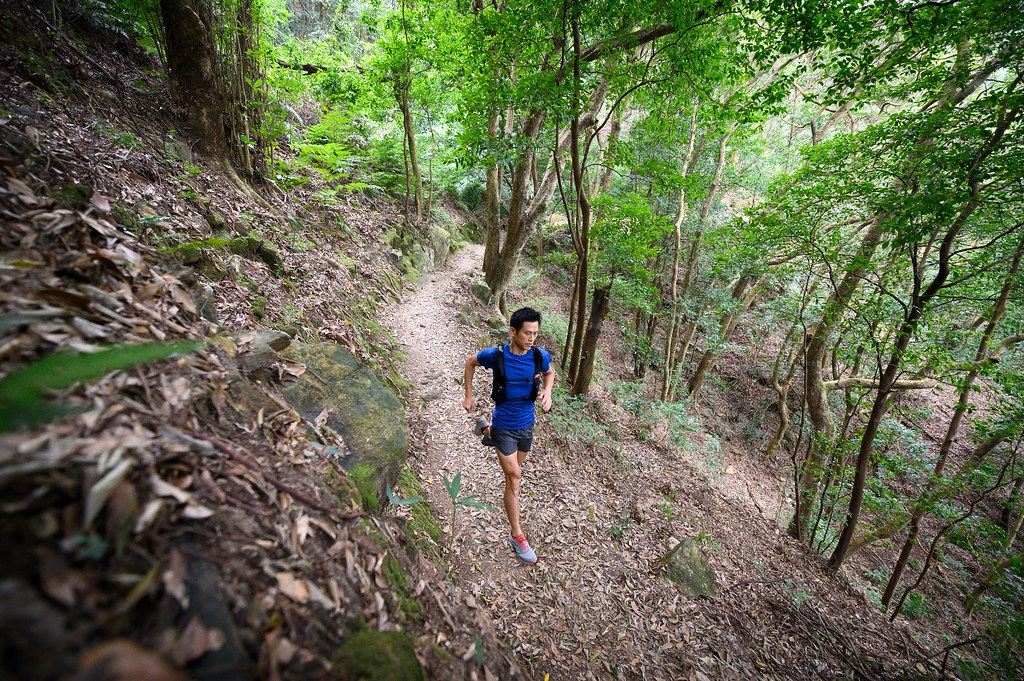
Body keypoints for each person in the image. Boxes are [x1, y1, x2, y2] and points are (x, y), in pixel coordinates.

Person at [463, 307, 554, 565]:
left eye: (535, 333)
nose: (532, 338)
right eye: (527, 333)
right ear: (513, 331)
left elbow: (550, 373)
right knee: (514, 478)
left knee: (515, 468)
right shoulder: (497, 356)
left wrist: (548, 391)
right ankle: (517, 536)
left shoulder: (538, 356)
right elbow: (471, 362)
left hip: (527, 426)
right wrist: (468, 396)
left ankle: (485, 430)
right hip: (504, 424)